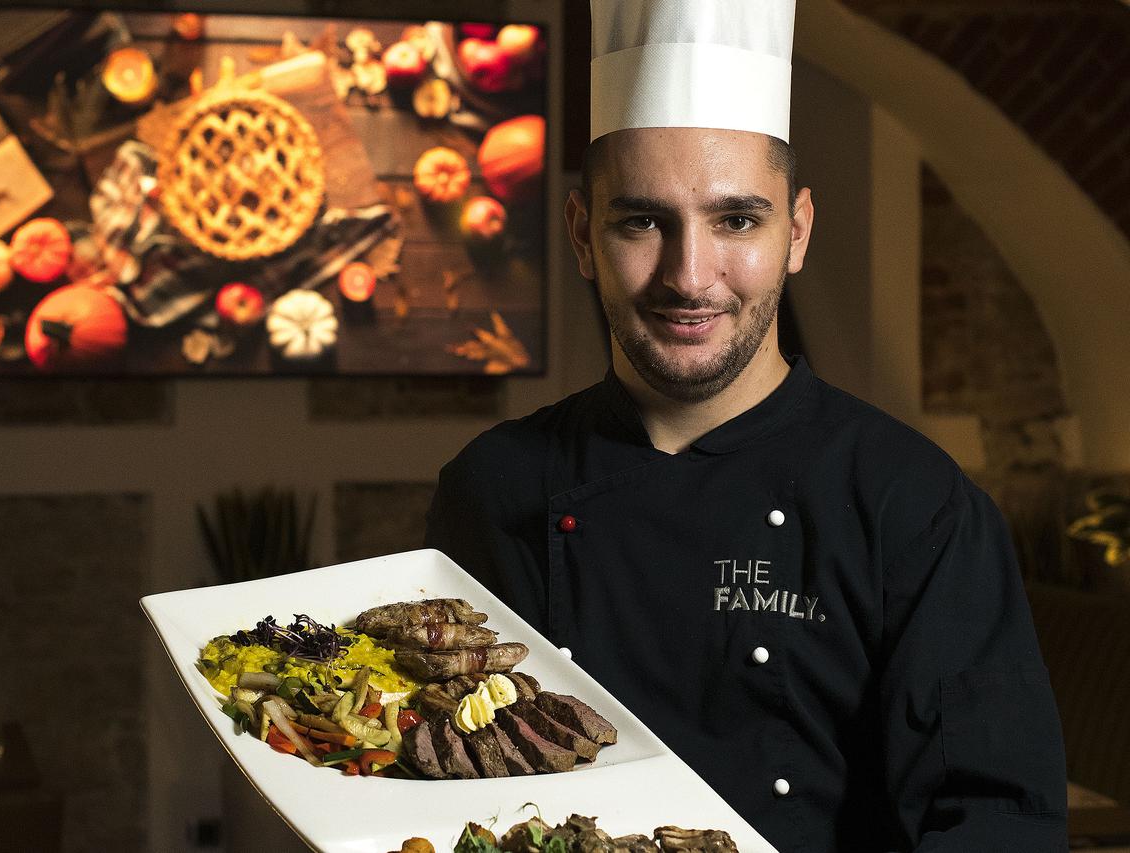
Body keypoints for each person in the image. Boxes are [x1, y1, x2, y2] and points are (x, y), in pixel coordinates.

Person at [425, 1, 1068, 850]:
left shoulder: (914, 506)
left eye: (736, 220)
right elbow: (436, 788)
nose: (690, 276)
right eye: (642, 221)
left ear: (796, 231)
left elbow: (997, 823)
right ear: (582, 234)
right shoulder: (493, 487)